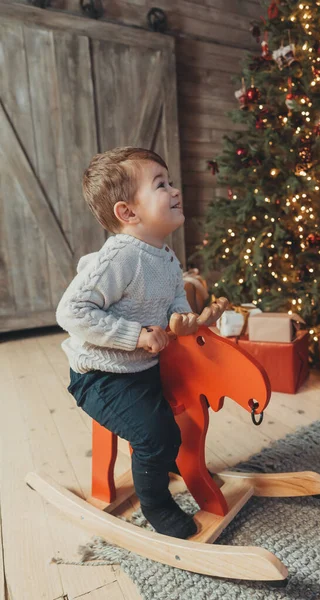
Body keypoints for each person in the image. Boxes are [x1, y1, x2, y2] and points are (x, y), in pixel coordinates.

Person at [56, 147, 217, 539]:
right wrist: (136, 335)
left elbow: (175, 304)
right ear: (128, 213)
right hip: (102, 376)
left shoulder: (166, 256)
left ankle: (172, 457)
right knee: (155, 434)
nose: (175, 190)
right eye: (161, 185)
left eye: (171, 181)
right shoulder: (120, 259)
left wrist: (189, 320)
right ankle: (157, 504)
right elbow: (71, 311)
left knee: (181, 415)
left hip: (143, 368)